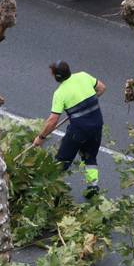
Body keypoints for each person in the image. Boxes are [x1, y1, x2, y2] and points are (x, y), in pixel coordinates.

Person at [33, 60, 106, 198]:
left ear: (57, 77)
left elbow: (53, 120)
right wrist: (88, 103)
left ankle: (53, 191)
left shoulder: (60, 93)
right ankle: (93, 187)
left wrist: (40, 137)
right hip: (97, 125)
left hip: (78, 131)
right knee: (90, 157)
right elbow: (102, 88)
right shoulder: (83, 76)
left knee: (62, 161)